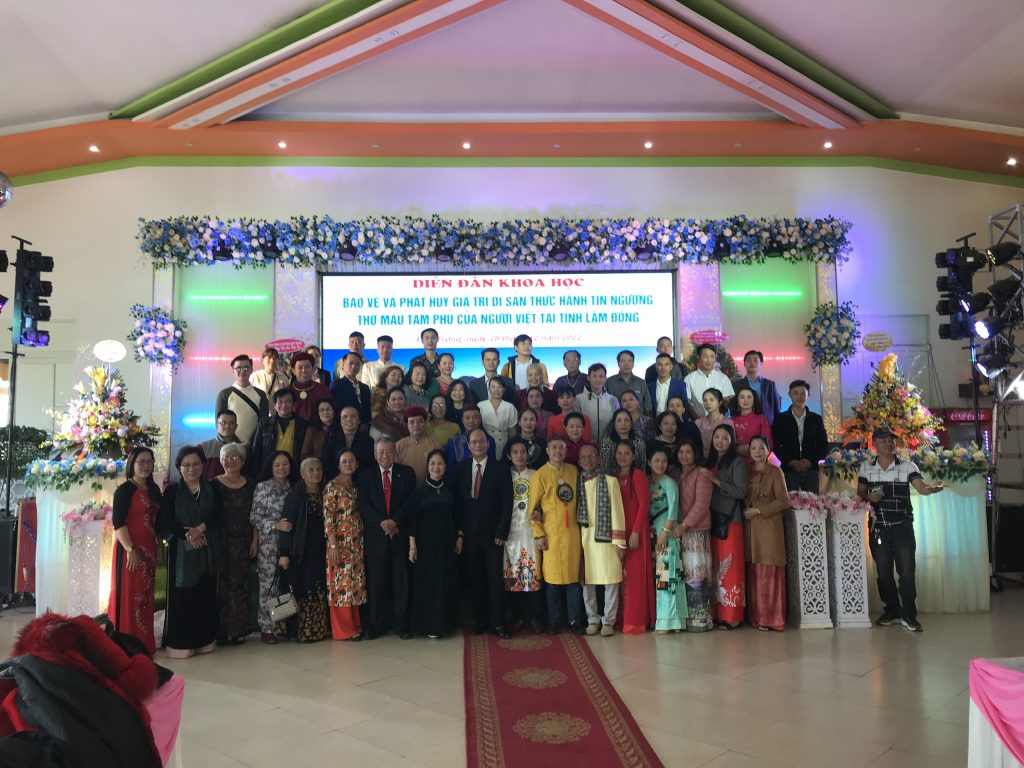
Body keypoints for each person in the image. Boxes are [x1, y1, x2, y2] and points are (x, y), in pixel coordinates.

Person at [857, 426, 943, 632]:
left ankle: (909, 614)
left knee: (906, 571)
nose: (888, 444)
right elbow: (859, 494)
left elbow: (921, 487)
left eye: (891, 440)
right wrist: (869, 497)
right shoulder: (866, 468)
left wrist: (930, 489)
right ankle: (892, 610)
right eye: (883, 440)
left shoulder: (907, 466)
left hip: (902, 525)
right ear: (875, 444)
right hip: (878, 526)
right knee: (883, 572)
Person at [158, 445, 220, 659]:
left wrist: (199, 530)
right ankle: (181, 644)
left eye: (196, 464)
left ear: (203, 465)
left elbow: (217, 515)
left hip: (206, 548)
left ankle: (204, 640)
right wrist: (188, 536)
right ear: (179, 467)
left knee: (204, 594)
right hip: (181, 552)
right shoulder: (172, 491)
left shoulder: (212, 488)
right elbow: (166, 520)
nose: (191, 469)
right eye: (186, 465)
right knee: (183, 597)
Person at [455, 429, 513, 638]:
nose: (478, 445)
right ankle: (480, 621)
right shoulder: (461, 468)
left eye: (481, 441)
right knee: (475, 578)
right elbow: (458, 504)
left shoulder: (500, 468)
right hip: (470, 534)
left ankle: (497, 622)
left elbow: (507, 502)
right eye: (474, 442)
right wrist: (460, 533)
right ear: (468, 445)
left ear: (488, 444)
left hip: (493, 534)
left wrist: (502, 531)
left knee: (494, 580)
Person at [358, 437, 418, 639]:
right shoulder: (365, 476)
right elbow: (363, 505)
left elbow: (410, 501)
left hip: (400, 536)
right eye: (381, 452)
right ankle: (377, 626)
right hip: (376, 539)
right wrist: (384, 523)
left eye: (389, 451)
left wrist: (395, 522)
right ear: (375, 455)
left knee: (402, 584)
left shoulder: (406, 473)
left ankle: (402, 626)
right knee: (377, 586)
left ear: (395, 453)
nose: (385, 455)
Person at [529, 436, 584, 635]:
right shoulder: (540, 475)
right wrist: (538, 534)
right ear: (547, 450)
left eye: (561, 447)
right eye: (554, 447)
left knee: (573, 581)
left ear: (566, 450)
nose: (558, 451)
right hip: (551, 535)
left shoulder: (573, 471)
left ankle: (575, 620)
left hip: (573, 534)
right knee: (552, 582)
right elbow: (532, 510)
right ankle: (553, 621)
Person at [109, 446, 161, 654]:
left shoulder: (154, 490)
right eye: (142, 462)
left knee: (146, 597)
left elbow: (157, 522)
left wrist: (159, 545)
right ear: (132, 464)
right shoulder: (124, 490)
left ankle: (145, 644)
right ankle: (126, 645)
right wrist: (130, 549)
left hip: (149, 551)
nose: (146, 466)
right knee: (130, 597)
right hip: (130, 551)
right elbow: (118, 523)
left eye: (149, 461)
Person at [576, 443, 626, 638]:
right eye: (583, 457)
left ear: (598, 459)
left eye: (591, 456)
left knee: (611, 580)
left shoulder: (610, 481)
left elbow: (618, 512)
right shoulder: (576, 481)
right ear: (579, 461)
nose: (587, 460)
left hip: (607, 539)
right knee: (587, 581)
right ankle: (592, 619)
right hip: (584, 538)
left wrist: (620, 542)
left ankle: (608, 621)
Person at [408, 450, 460, 638]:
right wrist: (412, 545)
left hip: (447, 543)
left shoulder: (450, 489)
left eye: (440, 463)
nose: (436, 467)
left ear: (445, 467)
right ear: (427, 466)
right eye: (432, 463)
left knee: (445, 583)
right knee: (427, 583)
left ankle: (445, 625)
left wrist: (459, 536)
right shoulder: (419, 490)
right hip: (425, 545)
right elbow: (412, 519)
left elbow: (457, 515)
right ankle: (428, 625)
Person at [278, 457, 329, 642]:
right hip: (299, 553)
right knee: (298, 590)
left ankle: (316, 631)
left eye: (318, 469)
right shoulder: (295, 496)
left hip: (319, 553)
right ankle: (294, 632)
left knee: (316, 590)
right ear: (302, 474)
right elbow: (285, 526)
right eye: (311, 470)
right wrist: (284, 554)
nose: (315, 473)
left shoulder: (325, 493)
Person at [703, 424, 748, 630]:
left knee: (730, 568)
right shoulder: (710, 461)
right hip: (712, 519)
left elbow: (741, 491)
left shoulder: (737, 462)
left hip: (730, 520)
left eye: (725, 438)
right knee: (716, 569)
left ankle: (733, 616)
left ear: (732, 441)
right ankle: (718, 613)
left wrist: (715, 481)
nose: (719, 441)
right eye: (717, 437)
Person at [250, 450, 296, 644]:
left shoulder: (294, 488)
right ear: (271, 467)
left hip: (290, 545)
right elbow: (255, 518)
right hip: (269, 545)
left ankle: (280, 625)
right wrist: (275, 525)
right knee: (268, 587)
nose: (281, 468)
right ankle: (266, 628)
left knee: (284, 585)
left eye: (285, 464)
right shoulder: (263, 487)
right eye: (277, 465)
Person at [743, 436, 789, 632]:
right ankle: (757, 617)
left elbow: (783, 500)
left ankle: (773, 619)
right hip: (750, 528)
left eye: (761, 448)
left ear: (768, 450)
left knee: (769, 571)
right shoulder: (745, 471)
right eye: (753, 448)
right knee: (754, 572)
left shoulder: (775, 471)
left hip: (769, 526)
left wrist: (759, 511)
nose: (757, 451)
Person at [213, 443, 255, 645]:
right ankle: (221, 631)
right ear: (221, 461)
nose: (230, 461)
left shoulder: (251, 484)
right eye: (226, 457)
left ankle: (238, 630)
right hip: (221, 541)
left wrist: (255, 540)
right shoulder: (213, 484)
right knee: (222, 585)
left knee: (241, 585)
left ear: (243, 461)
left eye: (235, 457)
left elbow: (255, 515)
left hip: (244, 541)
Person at [323, 450, 366, 641]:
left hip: (356, 544)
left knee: (354, 585)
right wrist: (333, 546)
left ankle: (355, 625)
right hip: (339, 545)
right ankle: (344, 630)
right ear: (338, 465)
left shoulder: (356, 486)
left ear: (357, 464)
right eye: (344, 461)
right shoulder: (332, 487)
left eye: (351, 461)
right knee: (341, 586)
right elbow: (328, 519)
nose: (348, 464)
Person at [503, 438, 544, 631]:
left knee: (534, 573)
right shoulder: (504, 476)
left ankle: (535, 616)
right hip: (511, 532)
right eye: (515, 452)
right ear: (509, 455)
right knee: (513, 573)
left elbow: (545, 502)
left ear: (528, 455)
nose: (520, 455)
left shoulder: (536, 475)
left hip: (531, 531)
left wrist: (540, 512)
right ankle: (518, 616)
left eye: (523, 451)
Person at [673, 439, 714, 632]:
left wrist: (684, 525)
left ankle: (701, 620)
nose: (684, 455)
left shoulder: (701, 474)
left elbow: (702, 505)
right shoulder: (677, 474)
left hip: (696, 533)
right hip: (681, 532)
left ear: (695, 454)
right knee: (685, 575)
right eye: (681, 452)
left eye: (688, 451)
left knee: (697, 575)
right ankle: (686, 618)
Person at [615, 440, 654, 635]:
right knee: (622, 576)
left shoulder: (639, 476)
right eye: (619, 453)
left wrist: (636, 532)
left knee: (636, 577)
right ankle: (622, 618)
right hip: (619, 533)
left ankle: (636, 621)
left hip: (635, 532)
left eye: (627, 453)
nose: (623, 457)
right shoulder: (614, 476)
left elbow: (644, 505)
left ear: (633, 456)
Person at [650, 447, 687, 634]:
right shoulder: (649, 483)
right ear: (649, 462)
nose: (660, 464)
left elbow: (673, 511)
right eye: (656, 460)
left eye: (664, 461)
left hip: (667, 535)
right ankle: (671, 620)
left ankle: (667, 622)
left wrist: (664, 533)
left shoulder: (669, 483)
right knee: (662, 577)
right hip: (655, 534)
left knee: (667, 578)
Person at [772, 378, 830, 494]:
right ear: (789, 394)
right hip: (788, 471)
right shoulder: (780, 419)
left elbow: (823, 445)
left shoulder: (816, 419)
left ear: (808, 395)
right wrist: (790, 462)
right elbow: (775, 444)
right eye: (795, 393)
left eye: (803, 393)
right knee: (790, 502)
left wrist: (811, 461)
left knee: (813, 502)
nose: (799, 397)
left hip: (811, 470)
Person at [250, 389, 315, 472]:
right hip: (269, 470)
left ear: (294, 404)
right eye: (280, 402)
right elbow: (256, 451)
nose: (284, 405)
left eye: (288, 402)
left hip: (295, 471)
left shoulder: (303, 425)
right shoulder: (264, 424)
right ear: (274, 405)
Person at [215, 354, 269, 445]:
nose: (242, 371)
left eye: (246, 368)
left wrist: (250, 442)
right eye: (238, 368)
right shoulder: (224, 394)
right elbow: (220, 423)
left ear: (251, 370)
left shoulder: (261, 394)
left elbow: (263, 422)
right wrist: (236, 444)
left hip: (255, 445)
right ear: (233, 371)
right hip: (230, 446)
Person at [732, 350, 782, 426]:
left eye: (755, 360)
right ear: (744, 364)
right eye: (749, 360)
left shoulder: (770, 385)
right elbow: (733, 408)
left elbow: (776, 409)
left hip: (766, 425)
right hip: (744, 426)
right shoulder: (736, 385)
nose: (752, 363)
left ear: (761, 363)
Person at [685, 344, 735, 417]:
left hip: (719, 421)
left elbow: (727, 402)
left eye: (712, 357)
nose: (709, 360)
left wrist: (719, 418)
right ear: (698, 358)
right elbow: (688, 403)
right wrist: (698, 420)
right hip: (697, 420)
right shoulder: (689, 379)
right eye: (705, 356)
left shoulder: (723, 378)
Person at [396, 406, 440, 482]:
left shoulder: (435, 445)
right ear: (407, 425)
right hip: (405, 487)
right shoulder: (399, 445)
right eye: (412, 422)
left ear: (425, 423)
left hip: (429, 487)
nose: (416, 425)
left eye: (420, 421)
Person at [577, 363, 620, 439]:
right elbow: (576, 422)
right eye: (594, 376)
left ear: (605, 378)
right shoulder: (579, 399)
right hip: (586, 442)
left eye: (601, 376)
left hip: (608, 442)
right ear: (588, 378)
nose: (597, 379)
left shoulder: (613, 400)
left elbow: (617, 422)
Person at [731, 384, 773, 461]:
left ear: (754, 400)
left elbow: (768, 444)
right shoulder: (731, 421)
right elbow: (728, 445)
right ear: (737, 400)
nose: (745, 400)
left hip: (758, 461)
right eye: (742, 397)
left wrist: (750, 449)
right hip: (736, 461)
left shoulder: (762, 420)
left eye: (749, 397)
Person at [606, 350, 654, 417]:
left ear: (633, 364)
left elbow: (648, 408)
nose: (626, 364)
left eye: (629, 361)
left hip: (639, 421)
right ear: (618, 364)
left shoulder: (642, 383)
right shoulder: (609, 382)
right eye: (623, 361)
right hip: (617, 421)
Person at [600, 408, 647, 474]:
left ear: (631, 422)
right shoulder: (607, 442)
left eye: (626, 420)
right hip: (612, 478)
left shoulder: (639, 442)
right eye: (619, 421)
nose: (623, 424)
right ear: (614, 423)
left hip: (635, 477)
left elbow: (642, 465)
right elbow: (604, 467)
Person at [480, 377, 518, 458]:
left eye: (499, 387)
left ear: (504, 390)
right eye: (493, 387)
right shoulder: (480, 406)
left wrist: (513, 447)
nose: (496, 390)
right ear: (489, 389)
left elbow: (512, 432)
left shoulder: (510, 407)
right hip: (486, 444)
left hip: (504, 444)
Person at [330, 352, 372, 426]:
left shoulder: (365, 387)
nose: (354, 366)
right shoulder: (337, 385)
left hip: (363, 427)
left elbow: (367, 408)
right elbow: (335, 409)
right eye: (351, 363)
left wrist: (366, 424)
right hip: (345, 425)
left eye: (357, 364)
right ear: (343, 365)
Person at [289, 352, 332, 423]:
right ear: (293, 371)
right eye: (300, 367)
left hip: (318, 428)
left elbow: (330, 413)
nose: (304, 370)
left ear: (313, 369)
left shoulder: (323, 389)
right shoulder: (288, 391)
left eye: (307, 367)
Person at [199, 409, 241, 480]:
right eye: (223, 423)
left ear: (236, 427)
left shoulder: (243, 448)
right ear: (216, 426)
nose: (227, 426)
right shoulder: (203, 448)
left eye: (231, 423)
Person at [334, 405, 375, 470]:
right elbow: (327, 463)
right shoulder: (332, 439)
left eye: (353, 416)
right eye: (345, 417)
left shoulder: (368, 441)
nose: (349, 419)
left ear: (359, 420)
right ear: (340, 421)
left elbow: (371, 465)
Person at [648, 353, 688, 418]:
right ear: (656, 367)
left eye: (666, 364)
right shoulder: (650, 386)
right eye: (660, 365)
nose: (663, 368)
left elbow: (685, 406)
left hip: (674, 421)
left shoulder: (681, 385)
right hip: (655, 422)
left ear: (671, 367)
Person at [696, 388, 733, 459]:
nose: (708, 403)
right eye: (705, 400)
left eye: (711, 400)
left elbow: (731, 445)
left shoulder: (727, 422)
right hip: (702, 460)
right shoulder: (699, 422)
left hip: (722, 460)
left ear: (720, 402)